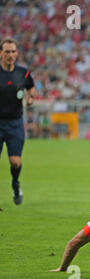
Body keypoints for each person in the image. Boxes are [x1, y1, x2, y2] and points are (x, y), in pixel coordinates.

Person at [0, 38, 35, 204]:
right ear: (1, 53)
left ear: (17, 53)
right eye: (7, 51)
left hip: (15, 123)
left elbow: (30, 86)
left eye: (13, 52)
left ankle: (15, 183)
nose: (10, 55)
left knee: (15, 161)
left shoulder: (23, 73)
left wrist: (30, 97)